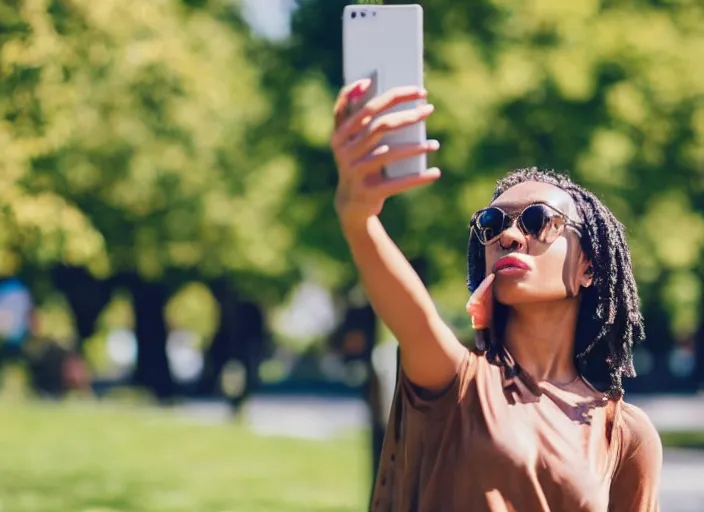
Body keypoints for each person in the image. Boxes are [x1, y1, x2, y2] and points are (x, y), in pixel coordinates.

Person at [330, 79, 662, 511]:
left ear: (588, 268)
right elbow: (411, 313)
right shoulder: (458, 380)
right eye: (491, 223)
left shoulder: (623, 433)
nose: (507, 235)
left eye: (539, 220)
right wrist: (359, 218)